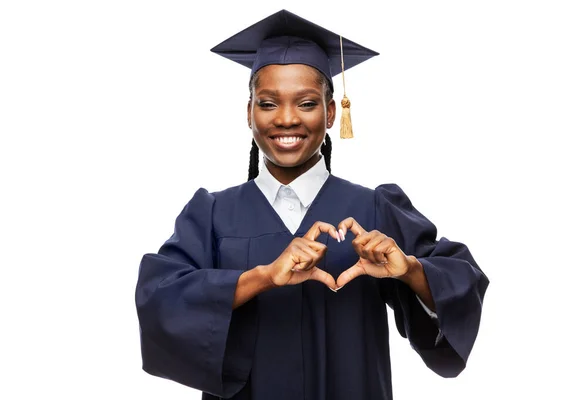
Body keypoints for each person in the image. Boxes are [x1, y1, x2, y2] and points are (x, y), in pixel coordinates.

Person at [134, 9, 489, 400]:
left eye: (306, 103)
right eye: (268, 104)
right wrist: (264, 277)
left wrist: (410, 270)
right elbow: (160, 298)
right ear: (248, 113)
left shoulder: (375, 208)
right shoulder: (212, 214)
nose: (286, 119)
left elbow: (461, 278)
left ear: (332, 112)